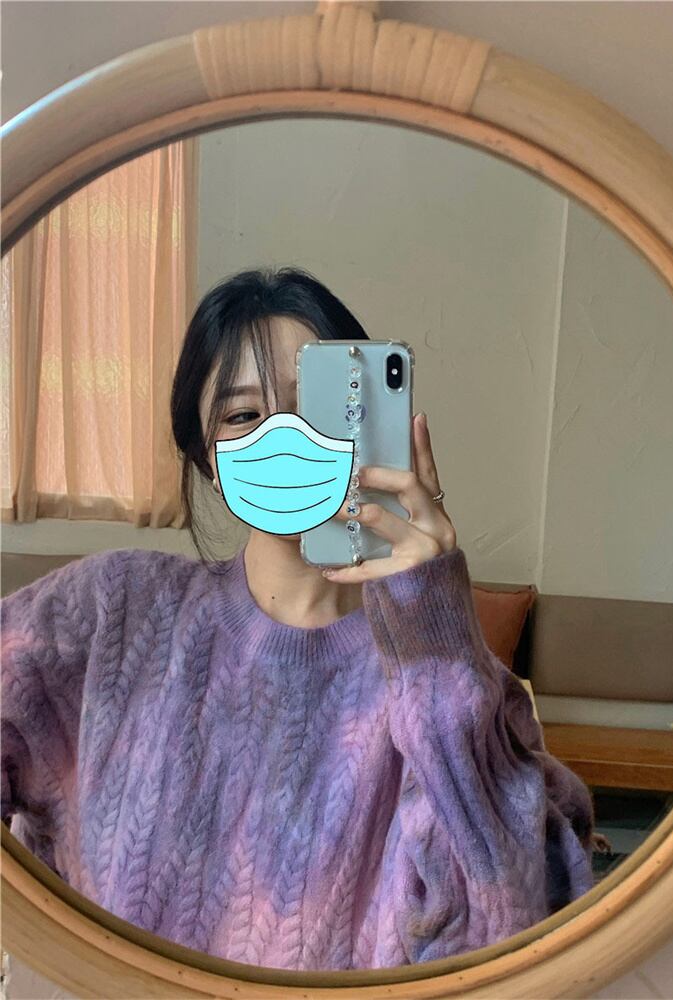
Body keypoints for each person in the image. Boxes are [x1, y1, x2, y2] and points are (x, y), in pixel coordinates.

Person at [0, 266, 596, 971]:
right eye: (242, 415)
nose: (285, 436)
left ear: (370, 429)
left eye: (317, 408)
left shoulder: (448, 681)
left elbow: (504, 934)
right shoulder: (113, 610)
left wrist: (435, 642)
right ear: (207, 459)